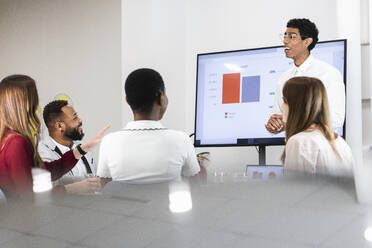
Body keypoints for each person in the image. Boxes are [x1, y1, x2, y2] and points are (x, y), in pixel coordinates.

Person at [0, 75, 109, 199]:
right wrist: (71, 189)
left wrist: (82, 149)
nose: (38, 100)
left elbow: (45, 172)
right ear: (25, 103)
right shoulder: (17, 143)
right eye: (35, 96)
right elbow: (29, 197)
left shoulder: (8, 139)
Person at [97, 68, 200, 183]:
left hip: (123, 201)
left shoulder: (109, 141)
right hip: (168, 201)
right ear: (161, 98)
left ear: (127, 100)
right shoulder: (181, 140)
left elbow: (103, 187)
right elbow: (195, 187)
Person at [266, 18, 345, 134]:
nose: (285, 41)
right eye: (285, 36)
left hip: (318, 146)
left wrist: (294, 121)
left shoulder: (328, 73)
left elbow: (336, 119)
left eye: (292, 37)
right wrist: (275, 125)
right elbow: (280, 116)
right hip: (295, 145)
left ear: (307, 42)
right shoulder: (284, 79)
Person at [281, 76, 353, 177]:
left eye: (284, 100)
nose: (281, 105)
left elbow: (295, 191)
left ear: (296, 106)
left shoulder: (299, 142)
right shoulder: (340, 142)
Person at [38, 100, 104, 194]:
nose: (80, 120)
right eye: (75, 118)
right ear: (60, 126)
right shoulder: (42, 153)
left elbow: (96, 183)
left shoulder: (83, 147)